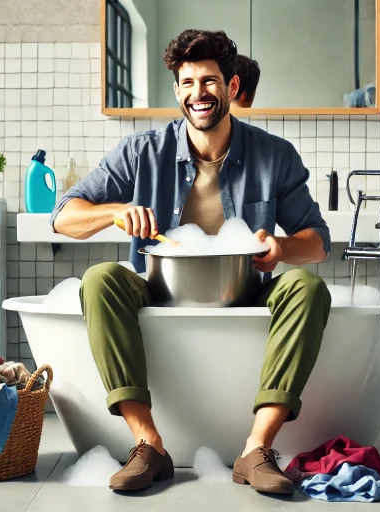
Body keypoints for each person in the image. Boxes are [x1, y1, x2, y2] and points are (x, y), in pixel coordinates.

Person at [51, 29, 332, 496]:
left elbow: (318, 241)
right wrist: (115, 212)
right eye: (186, 83)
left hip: (246, 289)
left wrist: (282, 248)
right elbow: (64, 216)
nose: (197, 94)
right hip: (161, 286)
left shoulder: (274, 155)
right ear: (177, 90)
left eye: (209, 81)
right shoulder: (141, 151)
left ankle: (257, 449)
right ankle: (149, 445)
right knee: (100, 279)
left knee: (308, 287)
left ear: (233, 87)